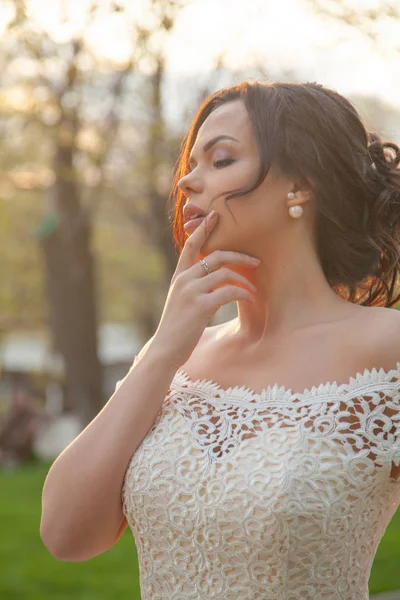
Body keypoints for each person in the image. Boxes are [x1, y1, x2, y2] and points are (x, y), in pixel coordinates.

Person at [41, 80, 400, 599]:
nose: (187, 181)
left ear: (301, 185)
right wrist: (164, 349)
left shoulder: (386, 350)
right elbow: (66, 535)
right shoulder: (173, 358)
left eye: (221, 160)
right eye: (190, 164)